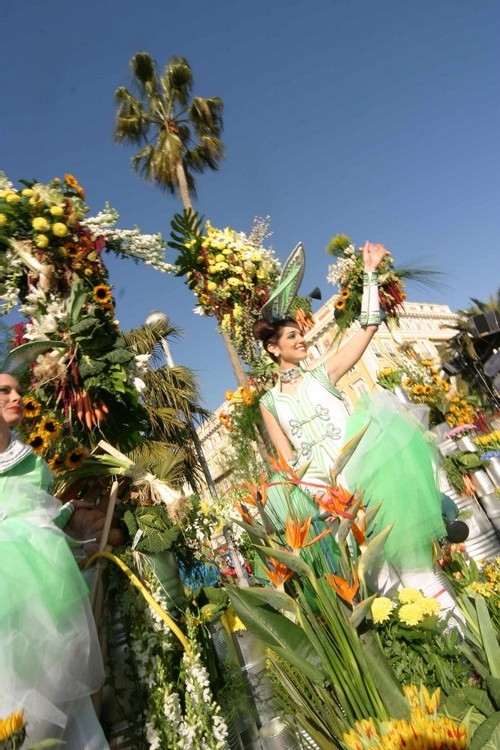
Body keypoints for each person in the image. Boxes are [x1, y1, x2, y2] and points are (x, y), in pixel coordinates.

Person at [253, 242, 459, 617]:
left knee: (415, 570)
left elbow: (367, 327)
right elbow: (286, 463)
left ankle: (462, 640)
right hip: (326, 501)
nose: (302, 339)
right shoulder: (268, 403)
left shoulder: (323, 373)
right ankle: (425, 654)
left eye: (301, 333)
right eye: (291, 336)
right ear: (272, 349)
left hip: (367, 478)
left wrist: (368, 274)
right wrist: (316, 500)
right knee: (376, 586)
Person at [0, 371, 109, 749]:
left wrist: (67, 515)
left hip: (47, 597)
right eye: (4, 390)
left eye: (18, 389)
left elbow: (42, 525)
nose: (16, 396)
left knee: (63, 701)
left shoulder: (33, 463)